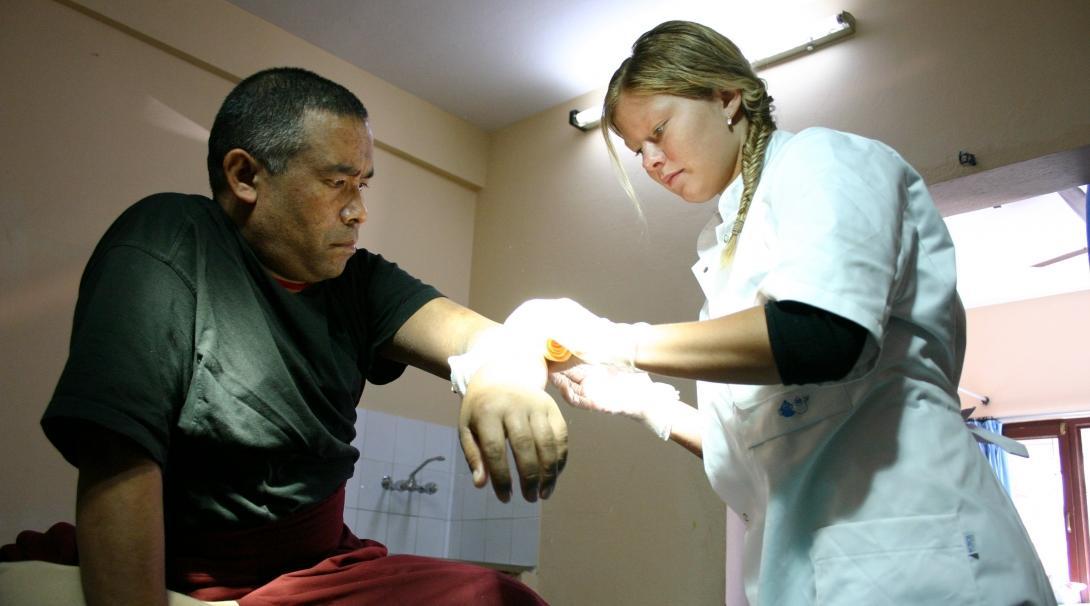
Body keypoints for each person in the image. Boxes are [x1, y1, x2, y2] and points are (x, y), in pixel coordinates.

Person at [506, 20, 1054, 605]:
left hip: (917, 555)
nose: (652, 160)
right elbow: (767, 439)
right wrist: (643, 402)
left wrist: (613, 338)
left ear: (726, 95)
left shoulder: (824, 159)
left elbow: (823, 336)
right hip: (818, 563)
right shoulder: (727, 248)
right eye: (639, 149)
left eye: (659, 130)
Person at [0, 67, 564, 606]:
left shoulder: (360, 281)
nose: (358, 211)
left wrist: (494, 379)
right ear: (245, 176)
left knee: (498, 599)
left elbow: (479, 338)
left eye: (363, 184)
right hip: (186, 564)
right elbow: (117, 459)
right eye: (337, 183)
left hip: (314, 572)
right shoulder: (170, 241)